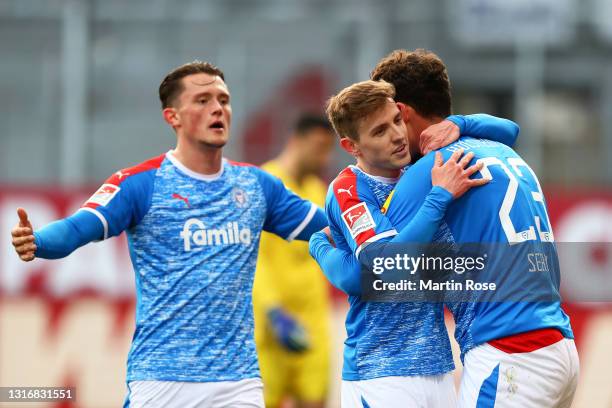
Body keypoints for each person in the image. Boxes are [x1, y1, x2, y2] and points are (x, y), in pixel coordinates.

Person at [10, 61, 328, 408]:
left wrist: (381, 222)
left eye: (223, 99)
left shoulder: (257, 185)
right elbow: (76, 229)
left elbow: (330, 226)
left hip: (238, 382)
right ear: (172, 117)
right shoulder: (140, 184)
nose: (217, 108)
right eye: (203, 100)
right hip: (162, 379)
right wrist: (37, 241)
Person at [313, 49, 578, 407]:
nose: (393, 135)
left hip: (493, 354)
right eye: (379, 129)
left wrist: (322, 247)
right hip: (384, 369)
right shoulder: (500, 151)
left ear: (401, 110)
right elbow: (376, 272)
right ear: (351, 145)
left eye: (394, 121)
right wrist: (321, 246)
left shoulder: (424, 173)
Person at [253, 114, 335, 408]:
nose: (323, 156)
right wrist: (273, 311)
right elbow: (255, 259)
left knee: (315, 401)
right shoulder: (266, 184)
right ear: (295, 141)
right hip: (269, 325)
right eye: (317, 147)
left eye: (327, 148)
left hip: (312, 323)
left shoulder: (318, 191)